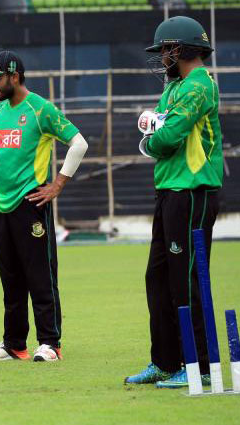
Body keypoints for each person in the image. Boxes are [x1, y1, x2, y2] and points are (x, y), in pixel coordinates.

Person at [125, 16, 224, 389]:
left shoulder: (199, 85)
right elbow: (158, 129)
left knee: (187, 280)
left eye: (166, 49)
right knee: (158, 278)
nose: (162, 56)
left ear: (180, 48)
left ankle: (198, 365)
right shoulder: (175, 86)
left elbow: (165, 138)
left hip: (193, 191)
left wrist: (152, 138)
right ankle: (165, 362)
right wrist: (155, 135)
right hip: (169, 189)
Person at [0, 51, 88, 363]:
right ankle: (14, 344)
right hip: (1, 206)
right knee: (10, 279)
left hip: (31, 203)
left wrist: (58, 184)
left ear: (15, 76)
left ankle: (50, 343)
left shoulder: (40, 109)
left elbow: (79, 143)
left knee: (40, 277)